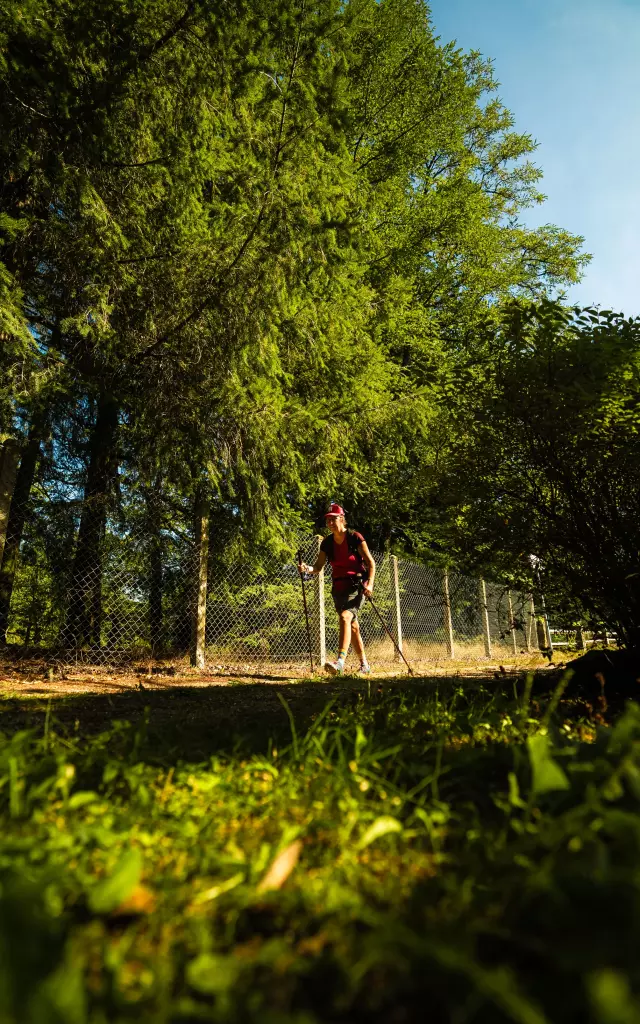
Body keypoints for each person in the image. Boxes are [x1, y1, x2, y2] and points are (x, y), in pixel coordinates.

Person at [299, 503, 375, 675]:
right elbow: (318, 567)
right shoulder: (327, 543)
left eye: (333, 519)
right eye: (328, 520)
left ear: (342, 519)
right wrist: (306, 568)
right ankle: (365, 665)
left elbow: (371, 563)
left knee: (345, 616)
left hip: (357, 586)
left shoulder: (355, 538)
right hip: (338, 587)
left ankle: (340, 661)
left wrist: (369, 584)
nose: (330, 523)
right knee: (352, 625)